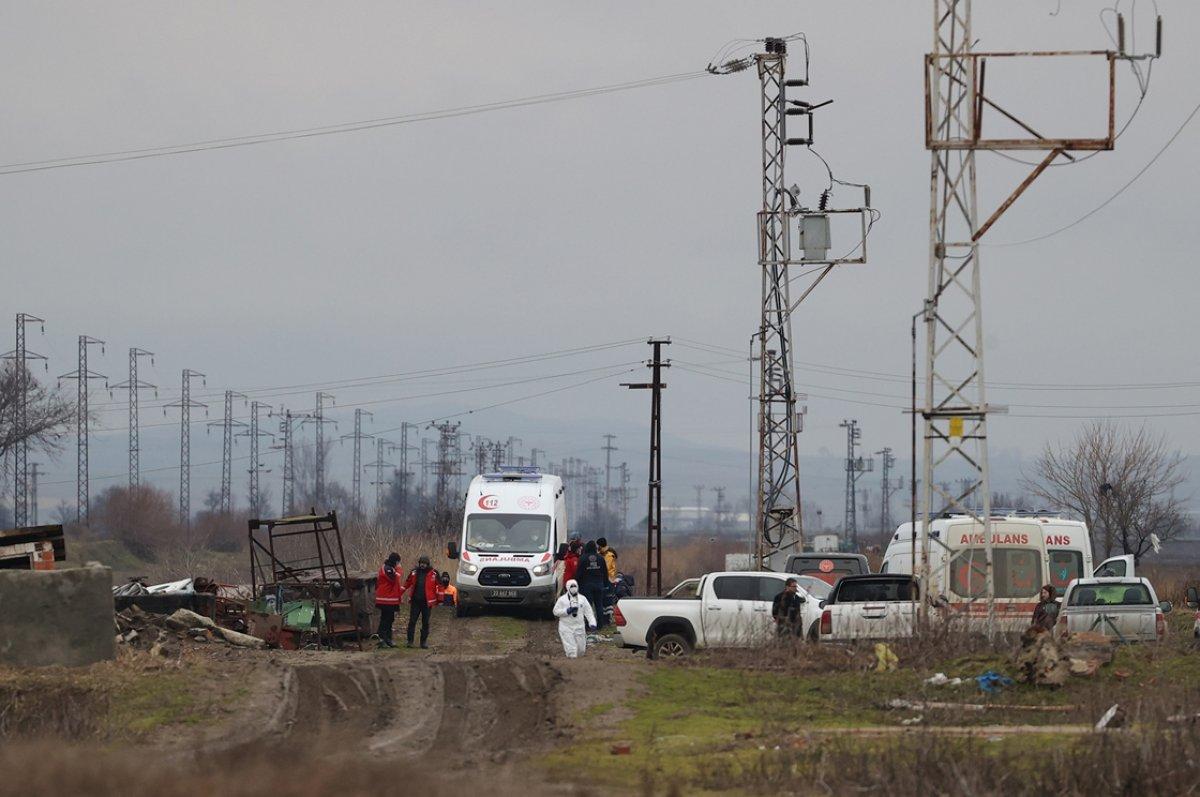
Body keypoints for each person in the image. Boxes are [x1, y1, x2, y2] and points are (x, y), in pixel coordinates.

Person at [401, 554, 440, 648]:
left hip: (427, 602)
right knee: (412, 621)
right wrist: (400, 592)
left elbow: (440, 586)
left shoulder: (434, 573)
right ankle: (410, 641)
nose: (422, 565)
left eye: (424, 563)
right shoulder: (414, 572)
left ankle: (423, 642)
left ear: (428, 564)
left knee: (425, 622)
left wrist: (440, 599)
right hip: (415, 601)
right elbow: (407, 583)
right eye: (421, 563)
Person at [552, 579, 596, 658]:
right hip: (566, 627)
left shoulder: (582, 599)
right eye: (571, 586)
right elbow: (555, 611)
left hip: (579, 627)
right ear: (567, 587)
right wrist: (567, 611)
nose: (573, 588)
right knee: (571, 651)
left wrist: (592, 623)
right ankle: (572, 667)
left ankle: (577, 665)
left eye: (575, 586)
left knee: (581, 651)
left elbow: (589, 612)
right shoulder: (562, 600)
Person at [576, 541, 609, 630]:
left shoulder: (582, 558)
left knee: (588, 606)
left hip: (586, 586)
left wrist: (577, 584)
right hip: (599, 585)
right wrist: (605, 584)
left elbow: (579, 573)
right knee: (599, 605)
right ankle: (600, 625)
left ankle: (588, 625)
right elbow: (605, 572)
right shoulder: (601, 558)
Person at [374, 552, 403, 648]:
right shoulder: (387, 568)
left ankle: (388, 638)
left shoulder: (389, 568)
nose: (398, 564)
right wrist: (398, 569)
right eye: (398, 562)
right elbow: (394, 579)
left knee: (389, 619)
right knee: (385, 619)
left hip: (391, 599)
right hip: (385, 599)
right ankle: (382, 639)